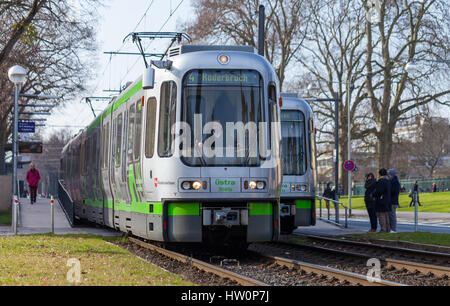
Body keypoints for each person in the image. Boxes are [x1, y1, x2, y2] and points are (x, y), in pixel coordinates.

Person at [373, 168, 391, 233]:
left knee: (381, 216)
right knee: (386, 216)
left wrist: (373, 194)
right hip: (387, 200)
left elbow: (378, 191)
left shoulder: (381, 181)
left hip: (381, 200)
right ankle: (388, 229)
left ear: (380, 174)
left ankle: (383, 229)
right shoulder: (388, 181)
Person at [388, 169, 400, 233]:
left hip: (393, 201)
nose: (388, 175)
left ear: (392, 175)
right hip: (391, 201)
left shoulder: (395, 182)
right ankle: (391, 228)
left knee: (392, 216)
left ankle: (393, 229)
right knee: (390, 215)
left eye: (389, 174)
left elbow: (394, 191)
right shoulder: (392, 181)